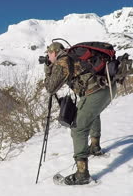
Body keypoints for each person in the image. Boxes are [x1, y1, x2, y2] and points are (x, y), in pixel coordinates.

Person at [44, 42, 117, 185]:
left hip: (96, 92)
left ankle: (82, 174)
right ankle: (94, 147)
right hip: (108, 87)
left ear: (53, 52)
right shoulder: (71, 56)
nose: (47, 56)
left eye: (48, 53)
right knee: (91, 113)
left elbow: (51, 87)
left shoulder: (62, 61)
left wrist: (47, 68)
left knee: (78, 129)